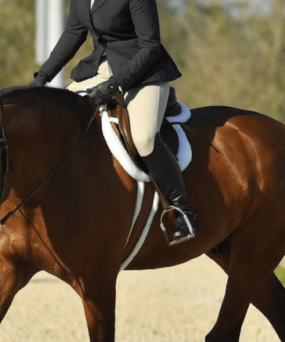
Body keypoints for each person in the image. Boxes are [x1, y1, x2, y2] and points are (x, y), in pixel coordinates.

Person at [30, 0, 198, 245]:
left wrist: (115, 85)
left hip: (144, 71)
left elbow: (151, 46)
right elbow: (73, 34)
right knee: (59, 120)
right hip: (100, 68)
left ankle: (182, 210)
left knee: (143, 138)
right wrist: (41, 78)